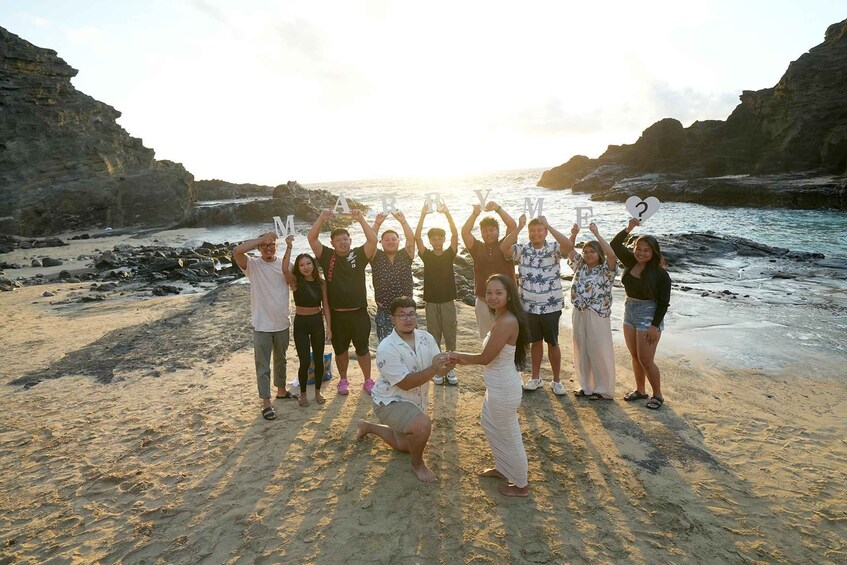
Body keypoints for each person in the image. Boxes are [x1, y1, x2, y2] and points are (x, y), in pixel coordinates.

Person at [447, 275, 530, 497]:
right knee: (489, 423)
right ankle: (503, 467)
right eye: (489, 292)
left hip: (504, 388)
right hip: (497, 385)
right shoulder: (502, 317)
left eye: (498, 293)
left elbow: (485, 358)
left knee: (509, 434)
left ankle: (521, 485)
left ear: (509, 295)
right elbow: (488, 358)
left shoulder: (508, 321)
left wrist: (456, 355)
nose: (492, 297)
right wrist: (462, 359)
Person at [356, 296, 455, 483]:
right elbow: (406, 383)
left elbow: (440, 369)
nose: (408, 319)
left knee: (406, 445)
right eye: (401, 315)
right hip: (389, 402)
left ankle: (367, 426)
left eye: (411, 314)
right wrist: (435, 368)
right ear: (392, 319)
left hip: (414, 402)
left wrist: (449, 363)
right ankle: (418, 465)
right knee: (421, 426)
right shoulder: (387, 348)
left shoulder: (426, 338)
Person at [500, 215, 573, 395]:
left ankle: (556, 381)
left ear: (546, 232)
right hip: (529, 306)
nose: (536, 234)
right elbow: (504, 248)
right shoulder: (523, 249)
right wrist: (519, 227)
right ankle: (535, 377)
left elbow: (568, 246)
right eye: (532, 231)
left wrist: (549, 224)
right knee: (535, 342)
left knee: (553, 342)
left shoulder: (554, 248)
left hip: (551, 305)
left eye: (540, 230)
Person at [308, 209, 378, 396]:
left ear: (350, 240)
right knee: (341, 350)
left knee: (363, 349)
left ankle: (368, 380)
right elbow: (312, 239)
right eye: (338, 240)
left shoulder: (358, 255)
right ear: (332, 243)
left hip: (359, 312)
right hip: (338, 314)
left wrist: (361, 219)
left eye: (345, 238)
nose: (342, 242)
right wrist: (321, 218)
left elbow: (373, 241)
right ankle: (344, 380)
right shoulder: (327, 256)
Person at [233, 231, 297, 421]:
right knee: (262, 365)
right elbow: (237, 251)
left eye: (271, 245)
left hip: (282, 322)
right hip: (261, 324)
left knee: (281, 359)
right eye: (264, 246)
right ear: (259, 248)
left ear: (277, 246)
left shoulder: (285, 264)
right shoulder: (253, 265)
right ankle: (266, 402)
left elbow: (296, 283)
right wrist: (262, 239)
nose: (268, 248)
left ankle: (282, 390)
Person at [611, 218, 671, 410]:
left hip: (649, 315)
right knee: (635, 355)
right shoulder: (630, 262)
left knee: (646, 359)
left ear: (653, 252)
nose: (641, 253)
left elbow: (663, 303)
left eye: (646, 250)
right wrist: (628, 228)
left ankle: (658, 395)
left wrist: (654, 326)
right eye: (638, 248)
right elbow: (614, 245)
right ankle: (640, 390)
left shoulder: (661, 274)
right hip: (629, 311)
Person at [567, 223, 618, 400]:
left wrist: (597, 233)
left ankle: (602, 389)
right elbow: (569, 250)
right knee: (581, 348)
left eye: (592, 251)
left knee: (599, 350)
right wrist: (573, 235)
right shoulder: (580, 267)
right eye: (586, 251)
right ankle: (586, 386)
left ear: (599, 254)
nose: (588, 254)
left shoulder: (606, 271)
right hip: (579, 311)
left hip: (597, 313)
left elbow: (611, 255)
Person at [282, 235, 331, 408]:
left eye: (308, 263)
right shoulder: (296, 282)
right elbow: (285, 270)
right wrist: (288, 246)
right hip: (301, 323)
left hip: (317, 321)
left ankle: (318, 391)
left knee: (318, 359)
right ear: (298, 267)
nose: (305, 267)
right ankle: (303, 394)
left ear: (313, 265)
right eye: (301, 265)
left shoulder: (321, 283)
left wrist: (329, 328)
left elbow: (325, 305)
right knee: (304, 361)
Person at [414, 201, 459, 385]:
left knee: (450, 336)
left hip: (448, 300)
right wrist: (423, 214)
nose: (437, 241)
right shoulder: (427, 255)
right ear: (430, 241)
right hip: (431, 302)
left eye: (440, 238)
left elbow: (456, 234)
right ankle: (439, 371)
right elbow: (417, 237)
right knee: (433, 337)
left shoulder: (450, 253)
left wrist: (447, 213)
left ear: (444, 239)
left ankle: (450, 370)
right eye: (434, 239)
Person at [461, 201, 517, 339]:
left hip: (508, 300)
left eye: (492, 230)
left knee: (509, 339)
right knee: (487, 338)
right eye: (484, 231)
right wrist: (475, 214)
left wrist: (498, 209)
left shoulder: (506, 246)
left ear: (498, 231)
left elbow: (512, 226)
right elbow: (465, 232)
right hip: (483, 301)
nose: (488, 233)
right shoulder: (477, 248)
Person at [371, 210, 416, 341]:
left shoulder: (405, 255)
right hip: (385, 310)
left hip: (406, 310)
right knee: (387, 346)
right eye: (387, 240)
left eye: (393, 239)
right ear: (381, 242)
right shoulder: (376, 256)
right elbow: (370, 241)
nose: (390, 242)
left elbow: (411, 239)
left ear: (398, 241)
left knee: (408, 345)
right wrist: (377, 224)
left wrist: (403, 221)